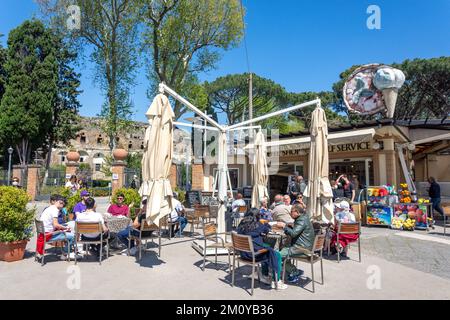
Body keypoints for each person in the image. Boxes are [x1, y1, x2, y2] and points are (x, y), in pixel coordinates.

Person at [237, 208, 287, 290]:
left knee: (267, 247)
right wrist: (265, 224)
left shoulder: (241, 224)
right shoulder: (257, 224)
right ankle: (276, 281)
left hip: (243, 253)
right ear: (257, 215)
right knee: (276, 254)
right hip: (253, 255)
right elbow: (267, 230)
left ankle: (265, 275)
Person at [277, 205, 315, 283]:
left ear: (297, 212)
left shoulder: (301, 220)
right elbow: (297, 231)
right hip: (304, 246)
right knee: (283, 250)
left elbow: (293, 234)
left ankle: (293, 272)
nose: (290, 213)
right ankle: (294, 270)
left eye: (291, 211)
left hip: (301, 248)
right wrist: (291, 227)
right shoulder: (304, 218)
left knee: (277, 255)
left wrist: (284, 226)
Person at [37, 195, 76, 260]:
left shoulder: (49, 208)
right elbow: (56, 225)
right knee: (72, 236)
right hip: (49, 234)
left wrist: (63, 227)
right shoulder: (55, 210)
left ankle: (65, 252)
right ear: (58, 202)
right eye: (62, 204)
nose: (62, 206)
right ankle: (65, 254)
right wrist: (64, 228)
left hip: (43, 233)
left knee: (67, 230)